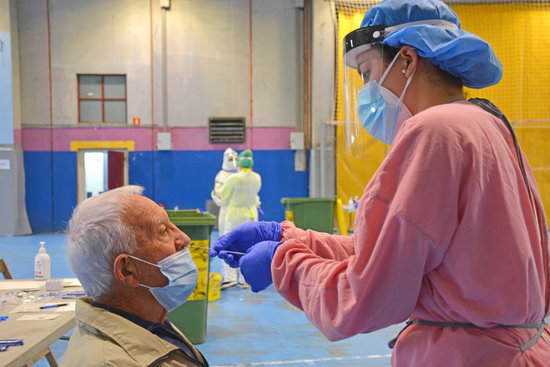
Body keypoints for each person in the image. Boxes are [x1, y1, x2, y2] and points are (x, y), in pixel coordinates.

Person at [210, 0, 550, 365]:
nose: (366, 90)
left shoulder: (433, 131)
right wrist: (291, 238)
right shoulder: (484, 122)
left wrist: (285, 263)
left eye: (367, 71)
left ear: (407, 59)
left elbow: (369, 296)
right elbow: (400, 249)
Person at [62, 185, 209, 367]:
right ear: (127, 271)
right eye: (163, 231)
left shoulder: (145, 322)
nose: (185, 238)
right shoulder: (110, 362)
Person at [218, 149, 261, 289]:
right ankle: (245, 279)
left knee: (229, 245)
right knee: (249, 247)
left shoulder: (233, 178)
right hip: (252, 214)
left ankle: (230, 278)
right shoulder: (257, 177)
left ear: (239, 164)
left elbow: (223, 196)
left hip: (235, 215)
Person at [211, 148, 238, 235]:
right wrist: (229, 201)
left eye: (234, 159)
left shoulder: (240, 175)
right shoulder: (221, 176)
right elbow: (218, 195)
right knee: (225, 234)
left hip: (240, 211)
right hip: (226, 211)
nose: (232, 161)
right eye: (230, 159)